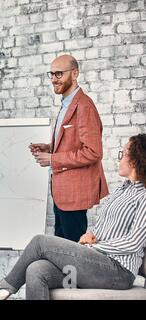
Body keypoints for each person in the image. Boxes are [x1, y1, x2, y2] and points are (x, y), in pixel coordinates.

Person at [0, 134, 146, 300]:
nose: (119, 159)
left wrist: (96, 247)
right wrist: (91, 235)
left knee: (40, 242)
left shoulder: (143, 196)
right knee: (36, 269)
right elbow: (106, 226)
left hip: (118, 272)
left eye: (123, 154)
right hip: (99, 263)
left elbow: (134, 242)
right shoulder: (122, 190)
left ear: (135, 159)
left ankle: (2, 291)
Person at [29, 55, 108, 242]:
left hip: (74, 194)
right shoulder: (66, 104)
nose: (54, 79)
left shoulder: (84, 106)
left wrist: (52, 159)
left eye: (59, 73)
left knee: (72, 252)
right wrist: (50, 148)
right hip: (61, 192)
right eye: (52, 74)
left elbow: (93, 151)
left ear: (75, 74)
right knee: (62, 249)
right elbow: (73, 142)